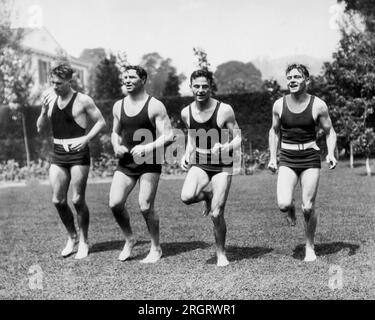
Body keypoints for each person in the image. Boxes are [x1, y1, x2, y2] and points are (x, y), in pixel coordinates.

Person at [268, 63, 337, 262]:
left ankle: (309, 246)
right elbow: (274, 131)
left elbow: (329, 132)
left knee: (308, 207)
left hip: (310, 157)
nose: (292, 80)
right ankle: (290, 209)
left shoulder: (318, 105)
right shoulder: (279, 105)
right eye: (289, 77)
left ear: (307, 80)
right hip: (287, 158)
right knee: (282, 203)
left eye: (297, 77)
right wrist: (273, 157)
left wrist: (330, 153)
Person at [36, 62, 106, 259]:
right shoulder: (50, 100)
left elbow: (101, 122)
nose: (54, 86)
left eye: (58, 83)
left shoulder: (83, 100)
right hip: (58, 153)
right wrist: (42, 110)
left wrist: (86, 138)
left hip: (78, 154)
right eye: (52, 83)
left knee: (77, 199)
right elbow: (40, 127)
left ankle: (84, 241)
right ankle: (72, 236)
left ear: (69, 81)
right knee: (57, 200)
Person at [109, 65, 174, 263]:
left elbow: (169, 136)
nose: (127, 80)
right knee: (115, 203)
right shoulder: (118, 106)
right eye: (124, 77)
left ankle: (156, 247)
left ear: (143, 80)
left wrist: (147, 148)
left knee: (145, 206)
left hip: (149, 161)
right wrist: (116, 145)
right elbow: (114, 132)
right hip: (127, 161)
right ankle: (130, 239)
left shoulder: (155, 106)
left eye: (131, 77)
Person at [180, 69, 241, 267]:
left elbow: (239, 138)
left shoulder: (224, 110)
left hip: (223, 164)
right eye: (196, 86)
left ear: (211, 87)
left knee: (216, 214)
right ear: (190, 87)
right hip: (200, 162)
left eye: (204, 86)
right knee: (187, 197)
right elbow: (191, 137)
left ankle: (221, 253)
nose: (200, 90)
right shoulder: (186, 112)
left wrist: (225, 146)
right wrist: (186, 154)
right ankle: (207, 196)